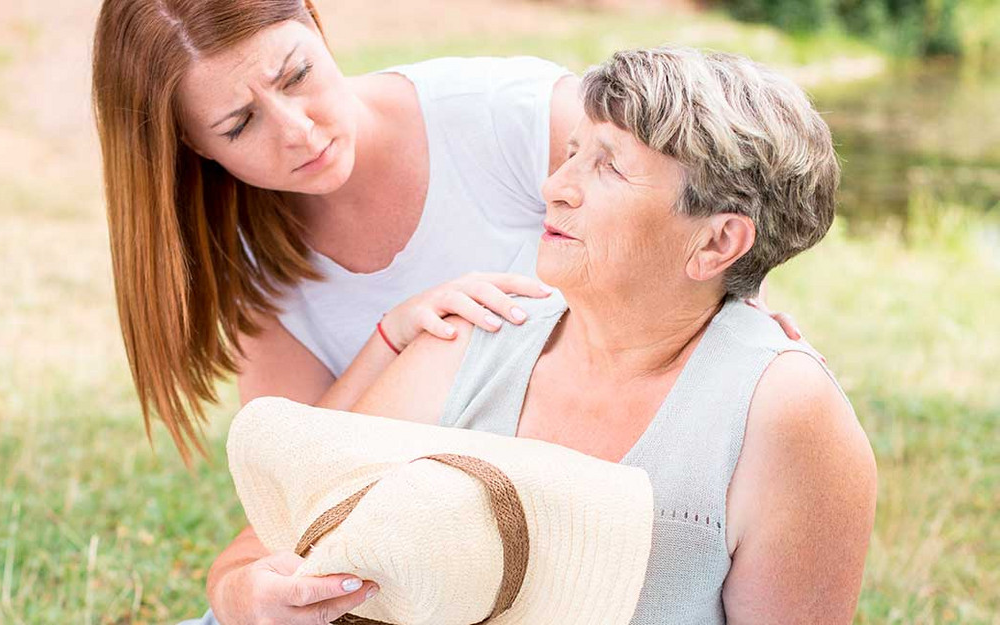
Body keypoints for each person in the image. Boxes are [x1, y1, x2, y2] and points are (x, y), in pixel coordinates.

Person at [91, 1, 808, 622]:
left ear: (314, 20)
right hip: (424, 565)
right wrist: (390, 338)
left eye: (296, 76)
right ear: (191, 143)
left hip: (561, 535)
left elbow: (696, 208)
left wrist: (740, 326)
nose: (299, 131)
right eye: (241, 123)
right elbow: (294, 493)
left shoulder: (505, 117)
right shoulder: (248, 258)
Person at [352, 48, 878, 624]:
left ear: (716, 244)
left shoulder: (784, 412)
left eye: (609, 167)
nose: (555, 186)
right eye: (572, 152)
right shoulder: (471, 336)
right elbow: (310, 537)